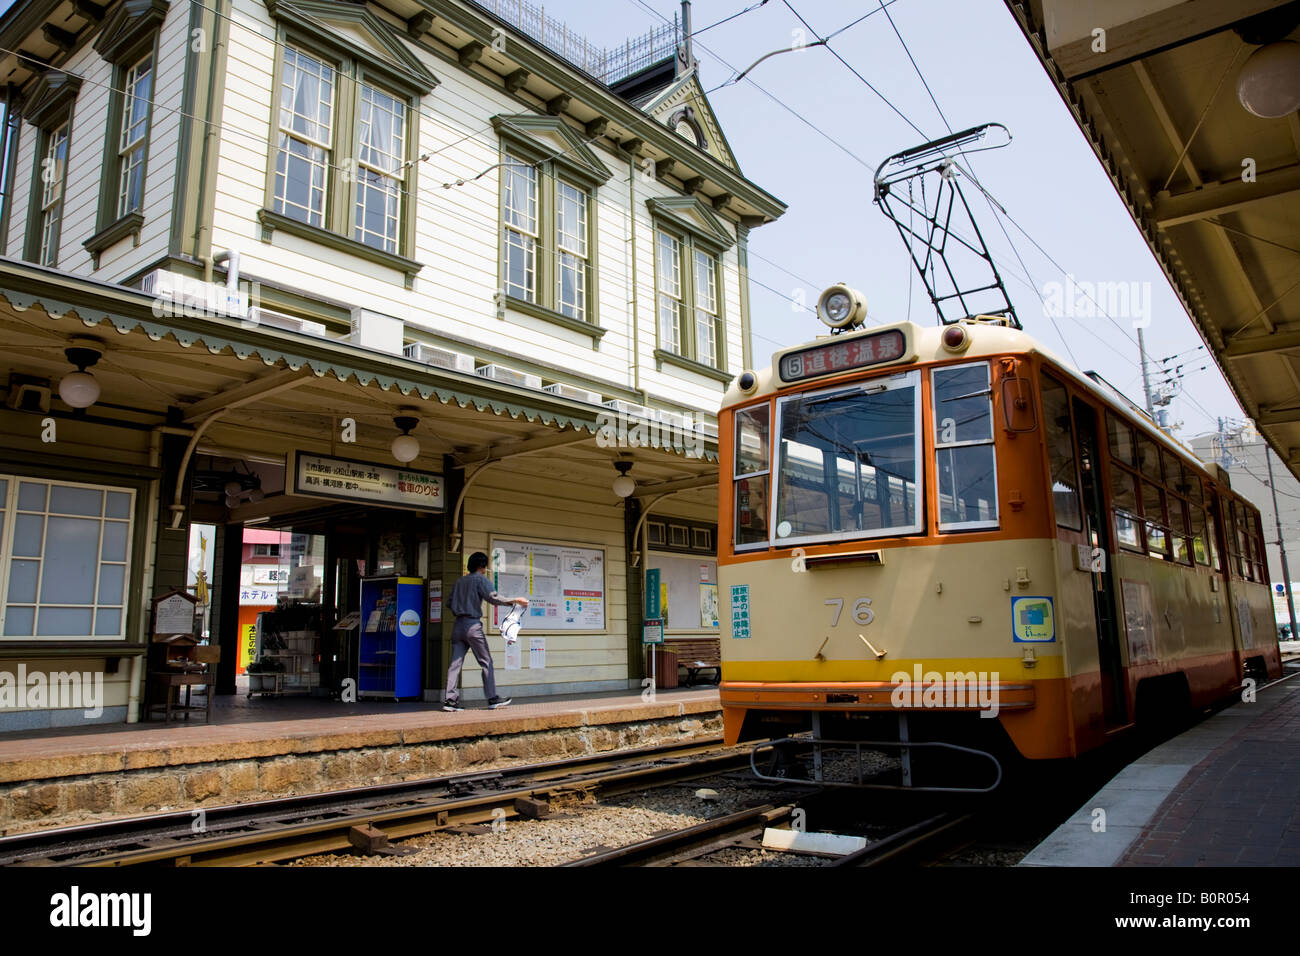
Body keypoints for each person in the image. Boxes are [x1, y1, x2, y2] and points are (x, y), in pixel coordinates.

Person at [443, 551, 528, 711]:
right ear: (483, 566)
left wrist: (460, 606)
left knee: (455, 664)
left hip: (457, 626)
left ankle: (450, 701)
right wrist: (515, 601)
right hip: (472, 626)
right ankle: (492, 698)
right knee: (486, 661)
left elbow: (449, 602)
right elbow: (493, 597)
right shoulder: (480, 579)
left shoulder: (460, 581)